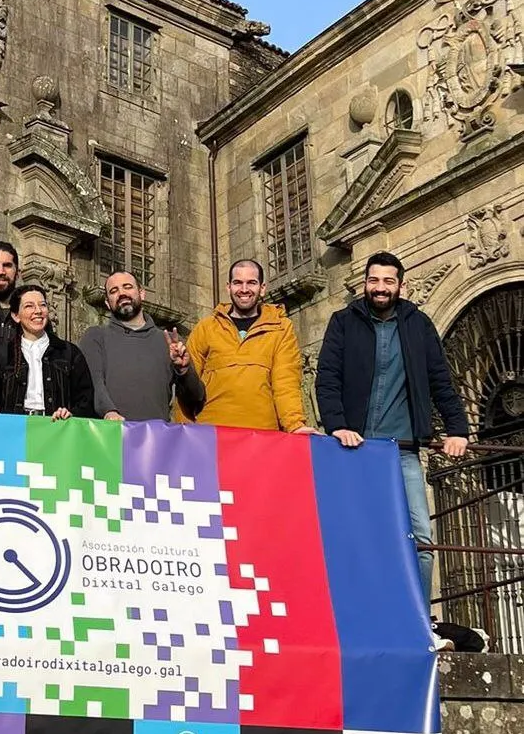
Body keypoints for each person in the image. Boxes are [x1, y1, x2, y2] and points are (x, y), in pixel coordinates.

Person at [316, 250, 470, 607]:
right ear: (364, 284)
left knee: (420, 537)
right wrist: (337, 425)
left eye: (388, 281)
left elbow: (440, 382)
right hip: (353, 449)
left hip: (403, 451)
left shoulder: (419, 325)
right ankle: (354, 610)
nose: (380, 288)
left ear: (402, 285)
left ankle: (415, 616)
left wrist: (458, 429)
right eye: (373, 280)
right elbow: (327, 379)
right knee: (353, 534)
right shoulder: (343, 322)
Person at [174, 259, 314, 433]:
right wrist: (181, 430)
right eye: (238, 283)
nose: (244, 289)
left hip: (263, 435)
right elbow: (186, 390)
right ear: (228, 287)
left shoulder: (281, 328)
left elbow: (286, 383)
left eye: (251, 283)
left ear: (262, 288)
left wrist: (295, 425)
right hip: (211, 434)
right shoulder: (206, 327)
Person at [80, 270, 205, 421]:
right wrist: (109, 412)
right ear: (107, 303)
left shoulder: (167, 342)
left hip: (155, 438)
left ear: (142, 293)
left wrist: (184, 370)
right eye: (114, 291)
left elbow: (196, 399)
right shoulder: (96, 336)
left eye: (127, 287)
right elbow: (94, 384)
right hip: (111, 435)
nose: (121, 293)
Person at [0, 284, 94, 419]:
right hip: (15, 431)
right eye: (29, 306)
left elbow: (86, 399)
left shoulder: (69, 352)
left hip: (57, 429)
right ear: (16, 316)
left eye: (42, 305)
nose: (38, 311)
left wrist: (71, 414)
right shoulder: (2, 355)